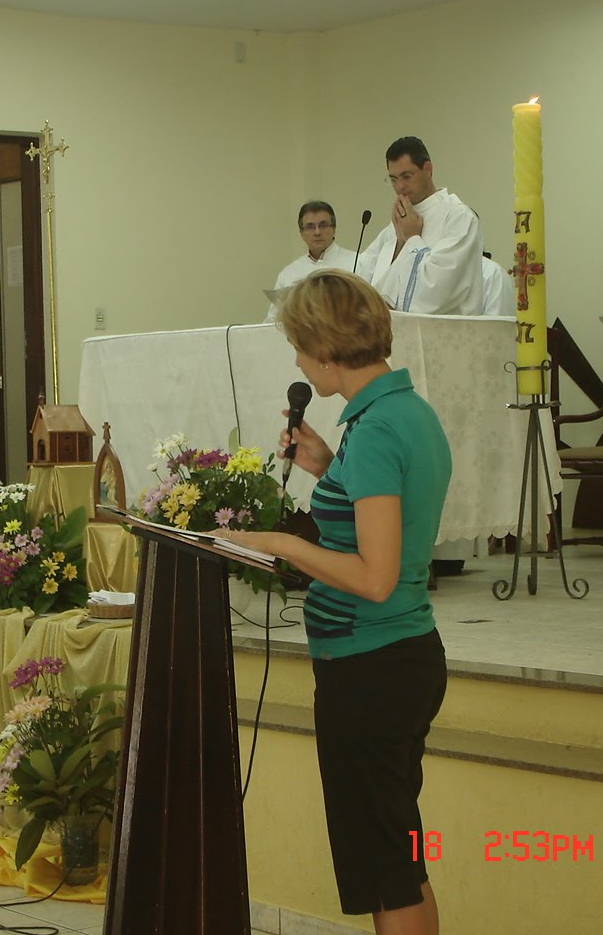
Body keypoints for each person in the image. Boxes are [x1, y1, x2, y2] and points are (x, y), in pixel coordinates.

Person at [219, 269, 450, 935]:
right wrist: (325, 467)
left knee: (386, 868)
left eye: (299, 346)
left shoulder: (375, 431)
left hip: (371, 666)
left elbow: (375, 577)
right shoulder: (404, 412)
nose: (296, 360)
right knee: (399, 853)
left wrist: (281, 545)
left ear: (325, 349)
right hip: (401, 658)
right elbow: (385, 511)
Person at [356, 136, 484, 315]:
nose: (400, 187)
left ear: (428, 169)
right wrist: (400, 245)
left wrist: (412, 239)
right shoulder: (394, 227)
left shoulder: (458, 217)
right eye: (393, 179)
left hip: (444, 330)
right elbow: (364, 280)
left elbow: (437, 289)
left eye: (406, 176)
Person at [266, 201, 356, 322]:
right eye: (310, 227)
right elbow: (273, 320)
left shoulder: (357, 262)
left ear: (334, 229)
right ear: (302, 234)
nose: (317, 232)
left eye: (323, 225)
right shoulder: (289, 274)